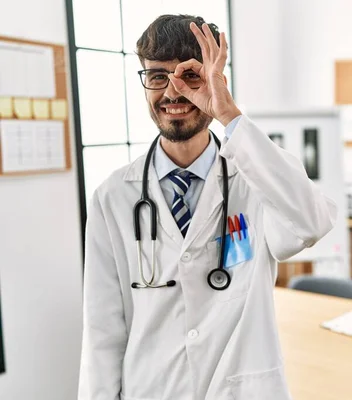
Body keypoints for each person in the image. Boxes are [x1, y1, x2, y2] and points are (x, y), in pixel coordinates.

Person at [78, 14, 337, 400]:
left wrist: (229, 115)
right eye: (157, 76)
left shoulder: (256, 178)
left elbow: (312, 222)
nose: (172, 92)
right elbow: (102, 332)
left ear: (216, 80)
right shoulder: (112, 198)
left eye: (190, 76)